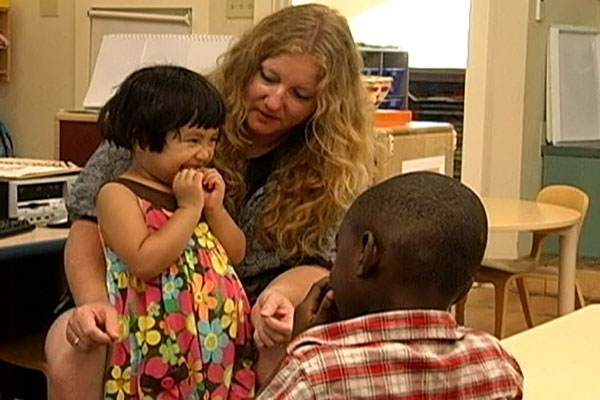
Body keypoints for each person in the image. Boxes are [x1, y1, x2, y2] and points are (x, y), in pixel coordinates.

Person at [44, 4, 377, 399]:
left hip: (234, 315)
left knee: (288, 354)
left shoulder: (331, 163)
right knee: (73, 354)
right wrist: (93, 304)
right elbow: (87, 223)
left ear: (324, 104)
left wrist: (279, 296)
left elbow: (318, 260)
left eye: (300, 94)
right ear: (248, 65)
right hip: (128, 299)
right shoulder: (175, 112)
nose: (274, 101)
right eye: (268, 78)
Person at [257, 172, 524, 399]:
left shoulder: (313, 373)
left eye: (337, 252)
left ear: (366, 252)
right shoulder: (496, 363)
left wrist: (300, 345)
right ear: (464, 291)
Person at [97, 65, 255, 398]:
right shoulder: (119, 194)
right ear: (142, 138)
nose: (206, 153)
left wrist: (214, 209)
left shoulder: (194, 195)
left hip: (214, 340)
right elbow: (144, 260)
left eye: (212, 140)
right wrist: (188, 209)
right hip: (160, 341)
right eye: (193, 141)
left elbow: (236, 253)